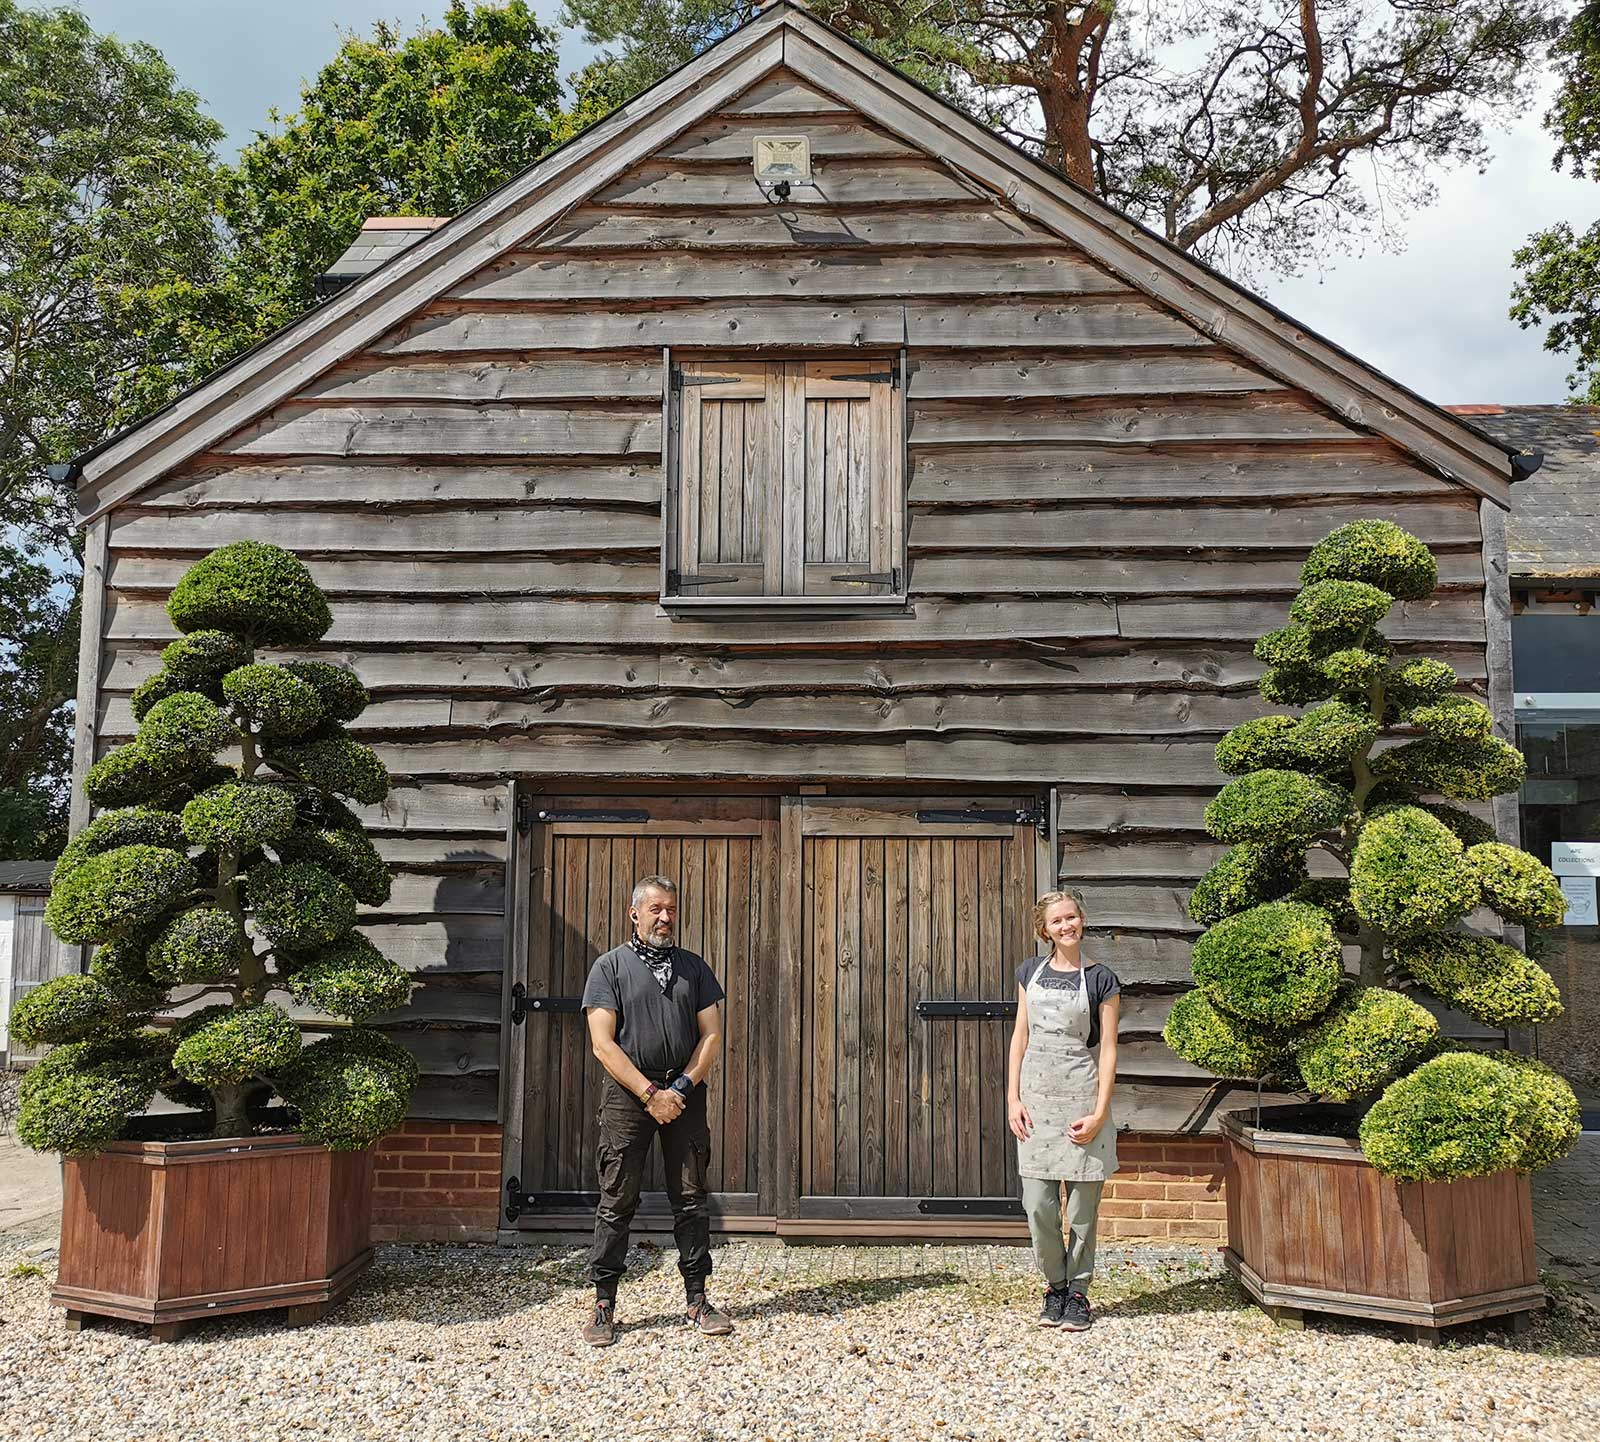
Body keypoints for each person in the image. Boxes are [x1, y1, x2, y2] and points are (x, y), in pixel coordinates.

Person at [579, 874, 733, 1347]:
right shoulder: (609, 968)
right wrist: (650, 1094)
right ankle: (604, 1303)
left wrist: (682, 1086)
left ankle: (698, 1299)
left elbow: (711, 1034)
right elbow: (603, 1045)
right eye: (655, 909)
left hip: (684, 1095)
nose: (665, 918)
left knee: (691, 1198)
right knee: (617, 1199)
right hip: (629, 1097)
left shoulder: (693, 968)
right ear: (634, 913)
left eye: (670, 909)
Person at [1006, 888, 1121, 1331]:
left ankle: (1078, 1295)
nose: (1066, 925)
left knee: (1083, 1211)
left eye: (1071, 917)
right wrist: (1013, 1098)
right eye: (1057, 921)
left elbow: (1109, 1050)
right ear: (1045, 930)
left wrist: (1098, 1112)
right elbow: (1020, 1037)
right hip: (1035, 1101)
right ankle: (1054, 1286)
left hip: (1082, 1098)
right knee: (1038, 1205)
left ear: (1081, 919)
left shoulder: (1102, 980)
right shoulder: (1028, 973)